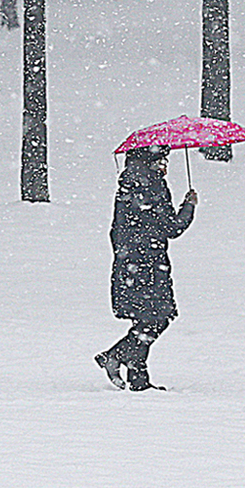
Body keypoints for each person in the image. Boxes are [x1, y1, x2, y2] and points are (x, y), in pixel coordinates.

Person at [96, 145, 196, 391]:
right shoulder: (152, 185)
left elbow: (118, 229)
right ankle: (115, 355)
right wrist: (189, 206)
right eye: (162, 159)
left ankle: (138, 379)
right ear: (151, 160)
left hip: (130, 263)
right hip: (148, 263)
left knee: (147, 318)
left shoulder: (129, 184)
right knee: (157, 318)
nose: (165, 165)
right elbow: (172, 227)